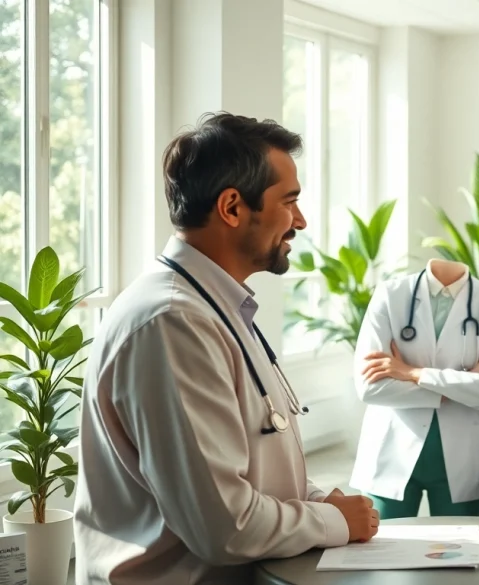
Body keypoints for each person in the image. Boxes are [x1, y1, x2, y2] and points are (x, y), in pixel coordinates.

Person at [73, 112, 379, 585]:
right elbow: (224, 526)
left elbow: (247, 464)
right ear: (233, 207)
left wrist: (320, 503)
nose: (300, 220)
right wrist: (336, 522)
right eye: (290, 201)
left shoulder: (212, 307)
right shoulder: (174, 323)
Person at [350, 257, 479, 519]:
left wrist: (411, 373)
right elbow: (370, 387)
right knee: (381, 551)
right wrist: (467, 381)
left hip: (466, 456)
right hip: (392, 450)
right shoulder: (390, 295)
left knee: (462, 550)